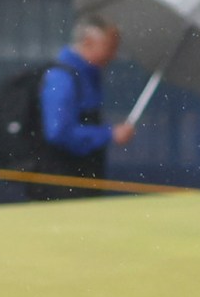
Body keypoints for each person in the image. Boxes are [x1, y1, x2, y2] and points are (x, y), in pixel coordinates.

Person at [29, 17, 138, 200]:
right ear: (88, 42)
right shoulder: (62, 77)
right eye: (110, 47)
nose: (114, 55)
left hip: (84, 175)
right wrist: (109, 134)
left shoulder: (87, 75)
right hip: (63, 180)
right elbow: (58, 132)